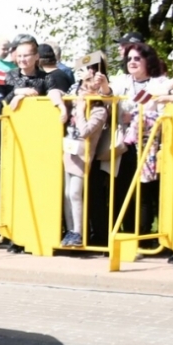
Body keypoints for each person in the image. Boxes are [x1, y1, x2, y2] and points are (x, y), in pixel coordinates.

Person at [112, 40, 168, 240]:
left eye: (137, 58)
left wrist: (138, 118)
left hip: (150, 146)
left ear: (147, 60)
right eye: (129, 59)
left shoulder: (160, 84)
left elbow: (164, 114)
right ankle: (129, 235)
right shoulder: (122, 82)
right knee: (126, 189)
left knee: (147, 192)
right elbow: (107, 95)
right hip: (124, 145)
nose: (132, 62)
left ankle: (147, 237)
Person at [55, 67, 113, 248]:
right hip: (68, 150)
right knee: (66, 194)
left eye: (91, 86)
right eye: (84, 84)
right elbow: (54, 92)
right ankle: (70, 230)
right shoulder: (74, 101)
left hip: (83, 154)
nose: (85, 89)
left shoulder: (99, 110)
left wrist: (80, 111)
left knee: (75, 192)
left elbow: (85, 131)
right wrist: (63, 108)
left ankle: (78, 231)